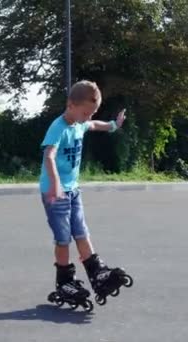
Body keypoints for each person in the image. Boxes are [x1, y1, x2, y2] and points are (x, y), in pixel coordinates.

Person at [41, 80, 133, 308]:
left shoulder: (81, 123)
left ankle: (97, 272)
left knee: (81, 232)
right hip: (55, 193)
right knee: (63, 238)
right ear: (70, 105)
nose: (87, 117)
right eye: (85, 113)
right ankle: (64, 281)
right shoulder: (58, 127)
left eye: (90, 113)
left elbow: (94, 126)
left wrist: (113, 125)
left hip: (73, 190)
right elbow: (49, 156)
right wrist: (55, 185)